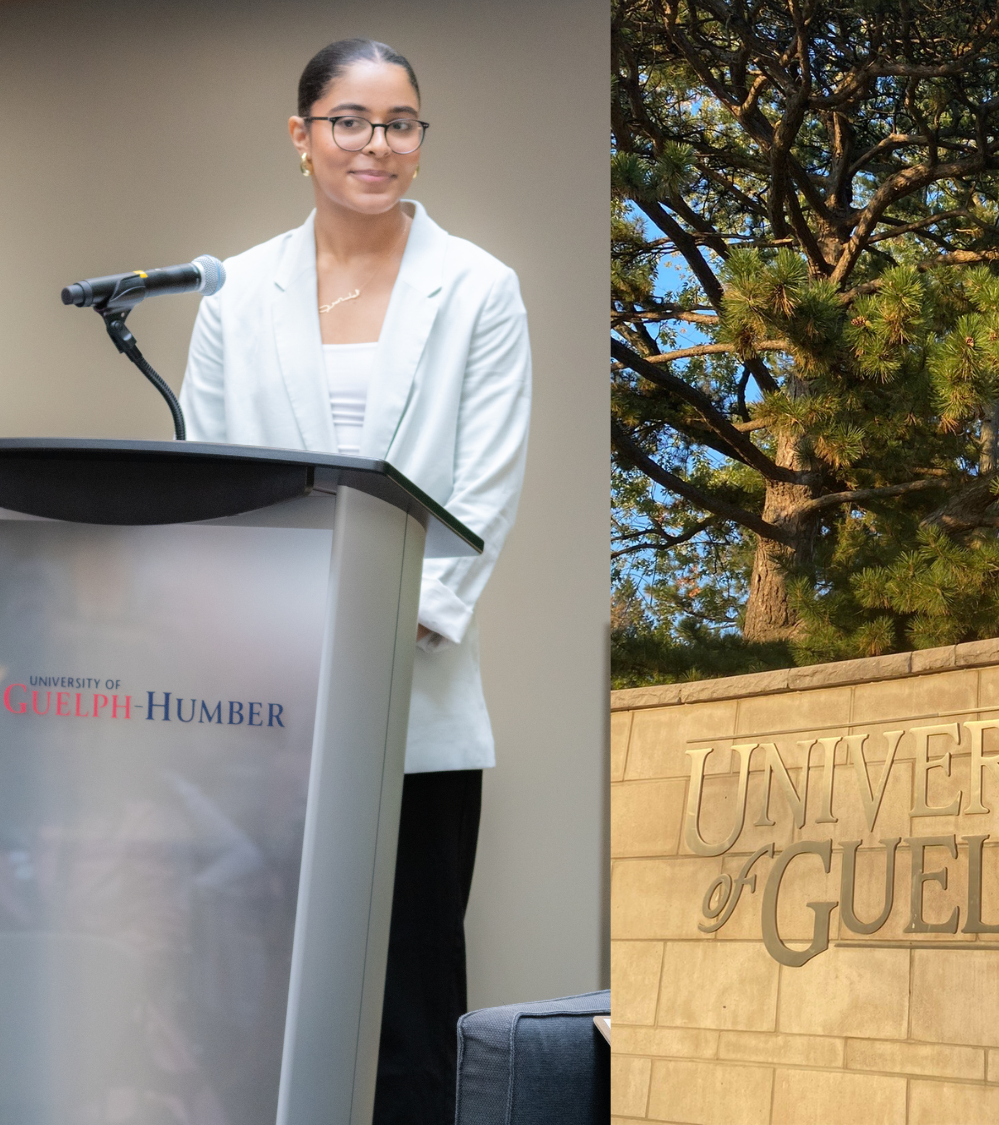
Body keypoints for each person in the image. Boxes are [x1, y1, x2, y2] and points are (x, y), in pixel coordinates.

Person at [178, 37, 532, 1123]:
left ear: (419, 141)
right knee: (255, 991)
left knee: (412, 1005)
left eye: (400, 124)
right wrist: (271, 631)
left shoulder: (479, 289)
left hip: (413, 699)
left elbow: (486, 483)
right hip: (262, 704)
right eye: (351, 120)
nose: (376, 145)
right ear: (302, 136)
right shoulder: (234, 293)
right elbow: (206, 477)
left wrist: (391, 624)